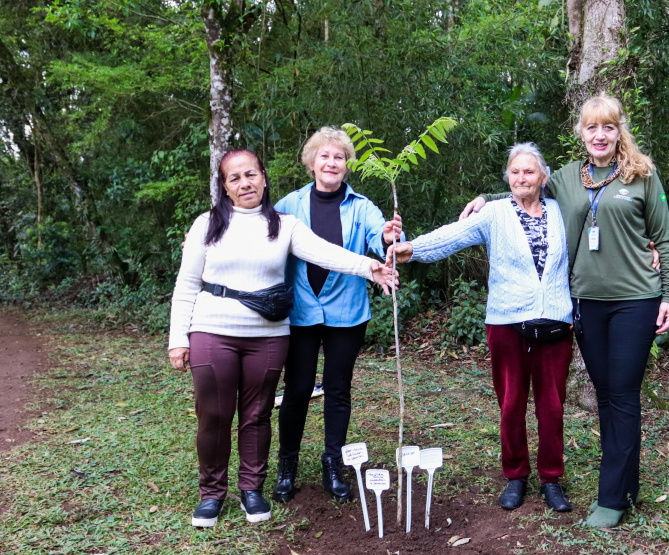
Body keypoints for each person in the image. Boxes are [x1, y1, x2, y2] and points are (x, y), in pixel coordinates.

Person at [460, 94, 669, 527]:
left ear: (619, 131)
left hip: (636, 300)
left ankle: (612, 499)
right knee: (605, 393)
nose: (600, 135)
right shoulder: (566, 178)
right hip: (586, 304)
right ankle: (625, 485)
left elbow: (665, 239)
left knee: (623, 393)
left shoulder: (642, 175)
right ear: (581, 133)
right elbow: (526, 186)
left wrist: (668, 295)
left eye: (608, 127)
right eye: (592, 127)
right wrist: (486, 197)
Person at [167, 149, 395, 528]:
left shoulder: (284, 225)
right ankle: (212, 493)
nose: (245, 183)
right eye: (235, 178)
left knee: (257, 414)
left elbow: (325, 253)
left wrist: (370, 267)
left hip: (268, 334)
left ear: (264, 178)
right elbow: (186, 285)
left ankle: (251, 489)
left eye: (251, 175)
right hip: (212, 330)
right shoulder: (206, 224)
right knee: (214, 413)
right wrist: (179, 338)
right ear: (224, 187)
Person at [389, 143, 575, 512]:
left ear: (544, 177)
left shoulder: (561, 211)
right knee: (511, 403)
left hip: (556, 321)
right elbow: (453, 235)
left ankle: (551, 479)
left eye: (529, 171)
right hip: (506, 321)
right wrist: (412, 249)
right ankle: (516, 475)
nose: (521, 178)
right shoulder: (494, 213)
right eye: (515, 172)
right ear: (507, 177)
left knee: (552, 405)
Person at [271, 127, 402, 504]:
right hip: (300, 310)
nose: (331, 163)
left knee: (338, 388)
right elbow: (258, 234)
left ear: (347, 165)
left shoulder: (361, 206)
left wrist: (388, 237)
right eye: (324, 156)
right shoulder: (290, 204)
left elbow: (379, 235)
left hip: (346, 311)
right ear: (311, 162)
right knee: (297, 389)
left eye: (339, 157)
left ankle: (333, 464)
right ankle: (287, 466)